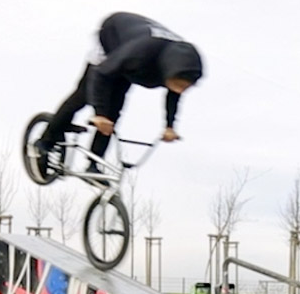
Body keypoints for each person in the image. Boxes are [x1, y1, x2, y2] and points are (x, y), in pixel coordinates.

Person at [32, 12, 204, 178]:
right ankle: (44, 141)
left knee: (114, 113)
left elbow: (173, 95)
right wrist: (99, 114)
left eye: (186, 87)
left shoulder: (179, 65)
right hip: (112, 36)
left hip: (132, 60)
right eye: (180, 85)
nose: (181, 90)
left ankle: (93, 162)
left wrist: (169, 126)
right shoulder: (139, 54)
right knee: (83, 97)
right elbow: (100, 74)